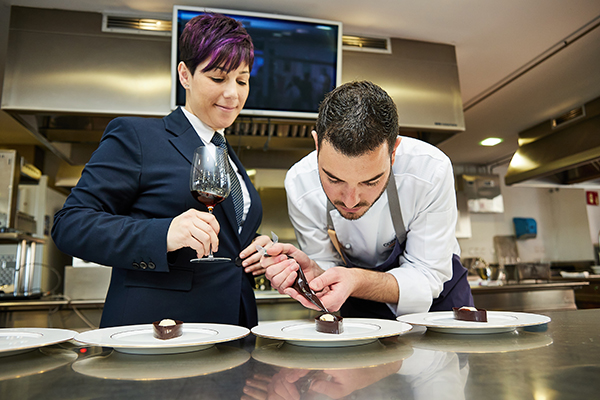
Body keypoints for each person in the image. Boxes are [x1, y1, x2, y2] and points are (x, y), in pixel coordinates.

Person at [51, 13, 269, 329]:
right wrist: (163, 234)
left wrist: (257, 249)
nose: (233, 94)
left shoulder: (228, 156)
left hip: (234, 332)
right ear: (185, 75)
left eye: (243, 80)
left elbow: (229, 237)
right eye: (218, 78)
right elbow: (70, 225)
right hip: (161, 334)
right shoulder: (137, 137)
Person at [262, 80, 473, 319]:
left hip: (439, 303)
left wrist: (357, 280)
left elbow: (428, 275)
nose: (350, 200)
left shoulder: (430, 170)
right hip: (357, 302)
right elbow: (326, 265)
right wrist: (316, 272)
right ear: (317, 145)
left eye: (370, 181)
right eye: (334, 179)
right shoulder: (300, 183)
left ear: (393, 152)